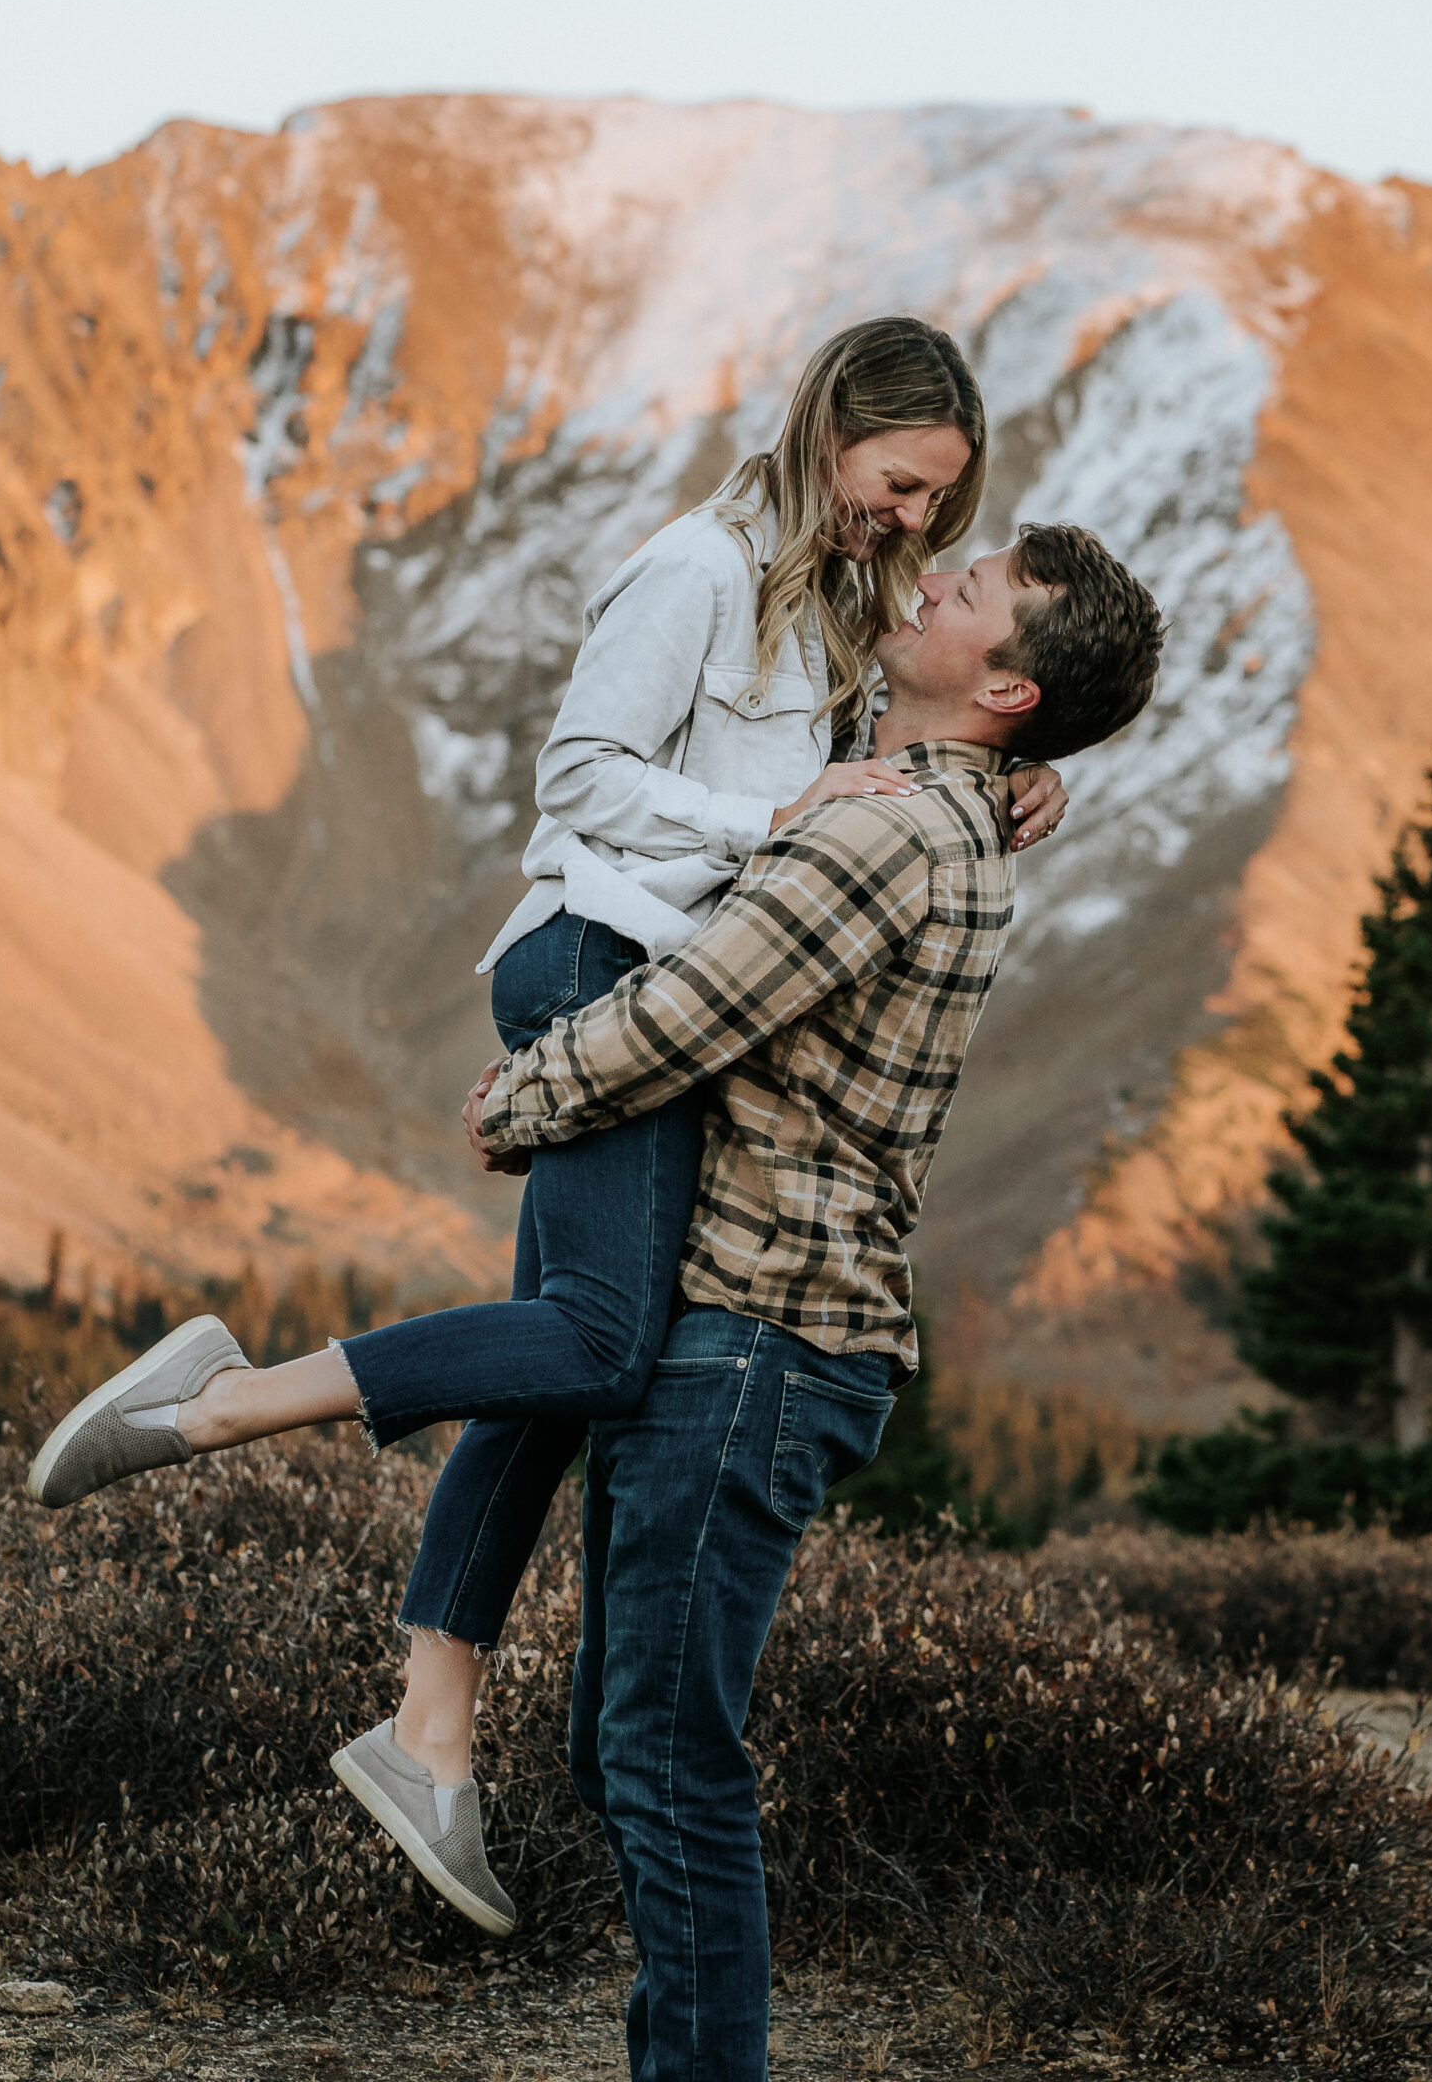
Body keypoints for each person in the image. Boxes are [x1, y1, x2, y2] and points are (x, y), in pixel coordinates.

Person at [24, 317, 1068, 1933]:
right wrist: (768, 814)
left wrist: (1018, 783)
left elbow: (890, 778)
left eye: (944, 503)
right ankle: (220, 1399)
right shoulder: (697, 569)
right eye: (902, 483)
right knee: (597, 1342)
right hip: (593, 953)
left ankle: (430, 1730)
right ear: (829, 432)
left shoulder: (848, 599)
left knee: (554, 1347)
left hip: (671, 972)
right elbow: (578, 773)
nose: (916, 522)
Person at [443, 521, 1164, 2080]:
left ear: (1008, 688)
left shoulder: (887, 834)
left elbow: (687, 1017)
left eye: (967, 595)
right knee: (631, 1749)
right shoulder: (939, 802)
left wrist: (521, 1098)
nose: (927, 584)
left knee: (664, 1760)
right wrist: (1049, 772)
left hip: (754, 1342)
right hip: (760, 1338)